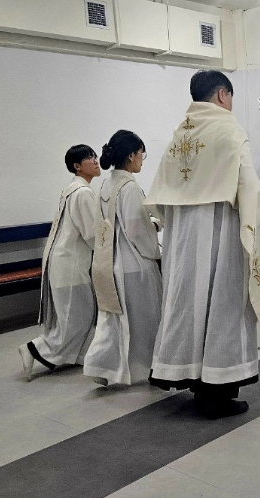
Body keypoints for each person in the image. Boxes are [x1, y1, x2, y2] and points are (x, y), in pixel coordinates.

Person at [144, 70, 260, 418]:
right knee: (223, 308)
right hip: (221, 238)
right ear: (222, 95)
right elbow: (248, 188)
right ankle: (217, 393)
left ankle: (192, 379)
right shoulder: (228, 129)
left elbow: (161, 202)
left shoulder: (178, 136)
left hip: (182, 243)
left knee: (189, 307)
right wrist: (259, 228)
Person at [83, 130, 162, 386]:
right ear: (130, 156)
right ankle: (143, 368)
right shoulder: (129, 187)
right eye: (141, 154)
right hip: (134, 265)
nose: (142, 160)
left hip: (109, 262)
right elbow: (137, 230)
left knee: (114, 322)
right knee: (143, 323)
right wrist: (155, 232)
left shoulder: (106, 184)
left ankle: (103, 366)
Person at [18, 145, 100, 380]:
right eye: (89, 158)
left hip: (63, 262)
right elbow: (92, 234)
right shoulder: (82, 193)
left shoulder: (72, 190)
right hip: (71, 265)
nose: (96, 160)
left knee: (77, 317)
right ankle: (33, 349)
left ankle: (82, 358)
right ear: (77, 166)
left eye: (95, 156)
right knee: (76, 319)